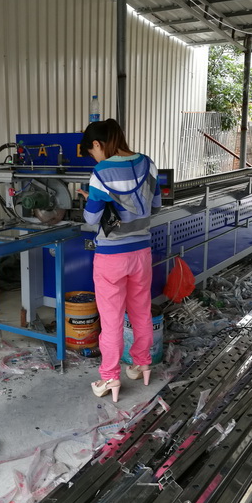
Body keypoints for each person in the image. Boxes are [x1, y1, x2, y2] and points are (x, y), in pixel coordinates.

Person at [77, 119, 161, 402]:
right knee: (141, 311)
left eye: (92, 151)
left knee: (112, 319)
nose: (94, 157)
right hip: (141, 253)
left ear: (97, 144)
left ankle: (110, 377)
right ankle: (142, 364)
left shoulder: (101, 172)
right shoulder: (148, 163)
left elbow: (91, 219)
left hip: (111, 256)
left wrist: (90, 199)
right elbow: (155, 207)